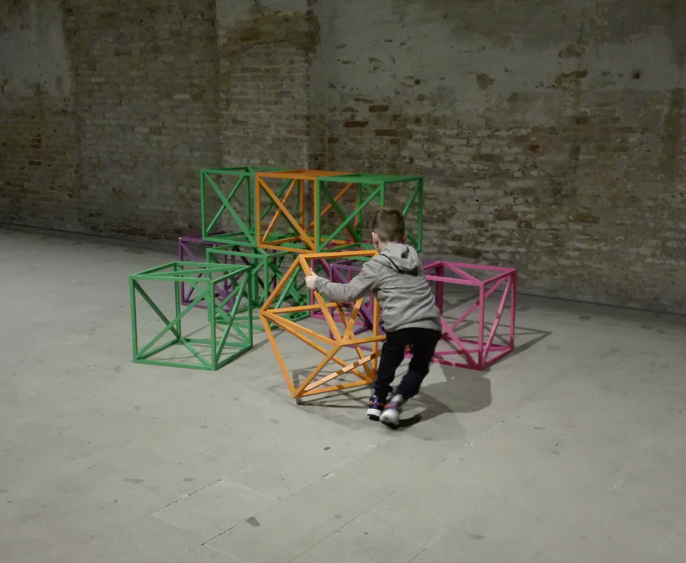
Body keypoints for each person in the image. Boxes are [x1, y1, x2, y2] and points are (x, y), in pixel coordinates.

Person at [305, 207, 442, 427]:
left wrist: (317, 283)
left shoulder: (376, 265)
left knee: (390, 358)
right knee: (418, 367)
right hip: (430, 322)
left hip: (400, 322)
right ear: (404, 238)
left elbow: (348, 293)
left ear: (374, 238)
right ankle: (396, 401)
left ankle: (378, 399)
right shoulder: (413, 256)